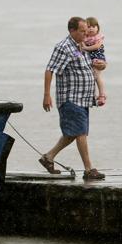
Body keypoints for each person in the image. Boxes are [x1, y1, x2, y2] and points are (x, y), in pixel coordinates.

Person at [40, 16, 106, 180]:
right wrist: (47, 95)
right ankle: (89, 169)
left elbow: (90, 65)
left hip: (83, 98)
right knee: (81, 132)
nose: (86, 34)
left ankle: (48, 157)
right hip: (71, 98)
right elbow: (50, 70)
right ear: (72, 31)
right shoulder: (63, 47)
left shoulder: (80, 46)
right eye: (82, 31)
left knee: (72, 133)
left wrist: (101, 65)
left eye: (86, 30)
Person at [81, 16, 107, 106]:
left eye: (94, 26)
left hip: (97, 57)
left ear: (97, 28)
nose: (91, 28)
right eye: (89, 27)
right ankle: (93, 95)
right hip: (89, 59)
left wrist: (86, 48)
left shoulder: (98, 37)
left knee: (96, 76)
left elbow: (96, 47)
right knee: (91, 77)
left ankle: (102, 94)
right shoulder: (84, 38)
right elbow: (79, 49)